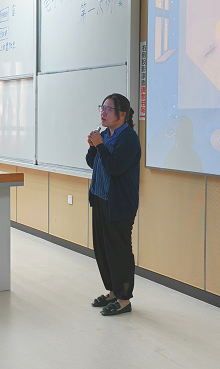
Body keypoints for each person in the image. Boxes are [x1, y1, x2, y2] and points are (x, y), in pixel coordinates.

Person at [86, 93, 141, 316]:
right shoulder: (104, 134)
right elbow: (93, 163)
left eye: (108, 109)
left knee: (119, 252)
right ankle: (112, 292)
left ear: (122, 114)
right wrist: (93, 146)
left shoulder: (128, 138)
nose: (103, 112)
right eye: (102, 107)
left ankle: (124, 299)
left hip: (119, 204)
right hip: (100, 199)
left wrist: (100, 146)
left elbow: (115, 167)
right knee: (103, 249)